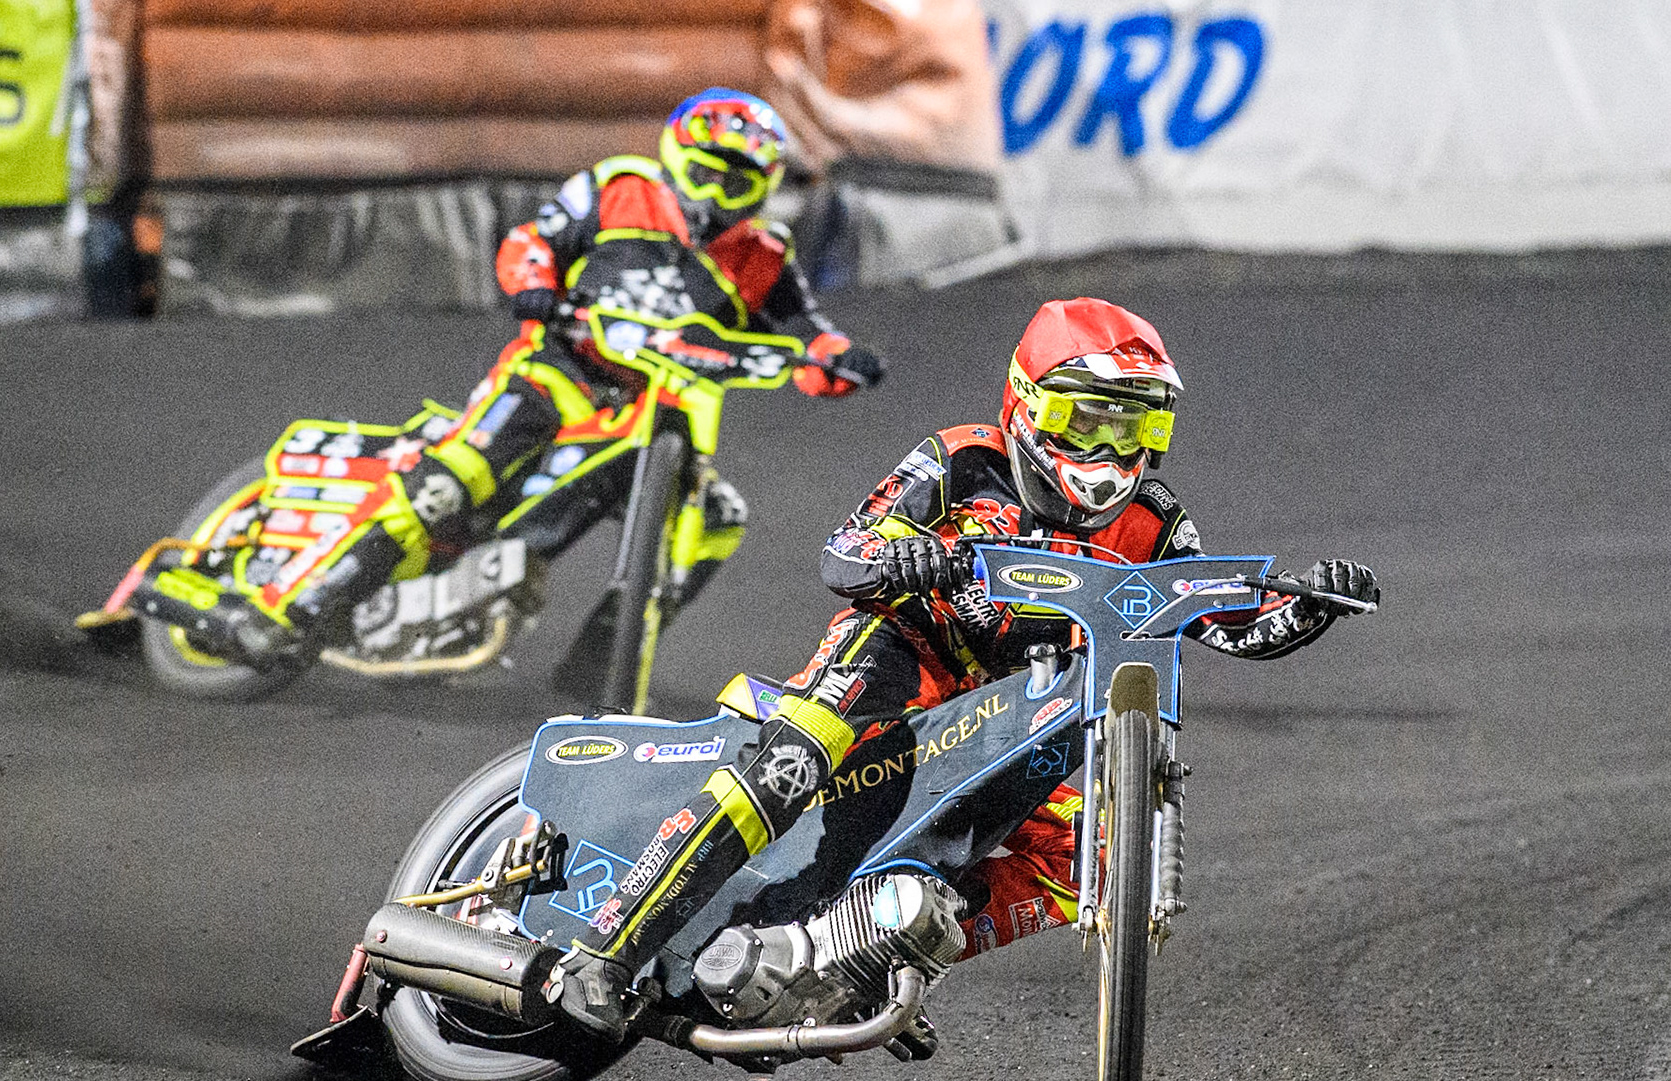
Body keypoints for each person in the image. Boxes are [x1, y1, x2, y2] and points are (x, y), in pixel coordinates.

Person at [549, 296, 1379, 1038]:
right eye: (1089, 422)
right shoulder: (961, 460)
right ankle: (605, 950)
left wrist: (1308, 605)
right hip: (903, 653)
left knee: (1091, 855)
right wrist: (906, 559)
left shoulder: (1154, 522)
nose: (1107, 449)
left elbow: (1227, 623)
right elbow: (844, 551)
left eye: (1131, 430)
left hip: (1011, 709)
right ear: (1030, 404)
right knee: (796, 754)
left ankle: (879, 952)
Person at [147, 89, 883, 678]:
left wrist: (839, 357)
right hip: (557, 372)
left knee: (716, 515)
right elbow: (534, 241)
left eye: (741, 178)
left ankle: (597, 666)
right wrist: (533, 286)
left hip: (654, 406)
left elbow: (809, 328)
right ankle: (290, 604)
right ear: (679, 154)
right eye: (712, 169)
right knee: (453, 479)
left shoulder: (764, 253)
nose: (722, 189)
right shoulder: (617, 187)